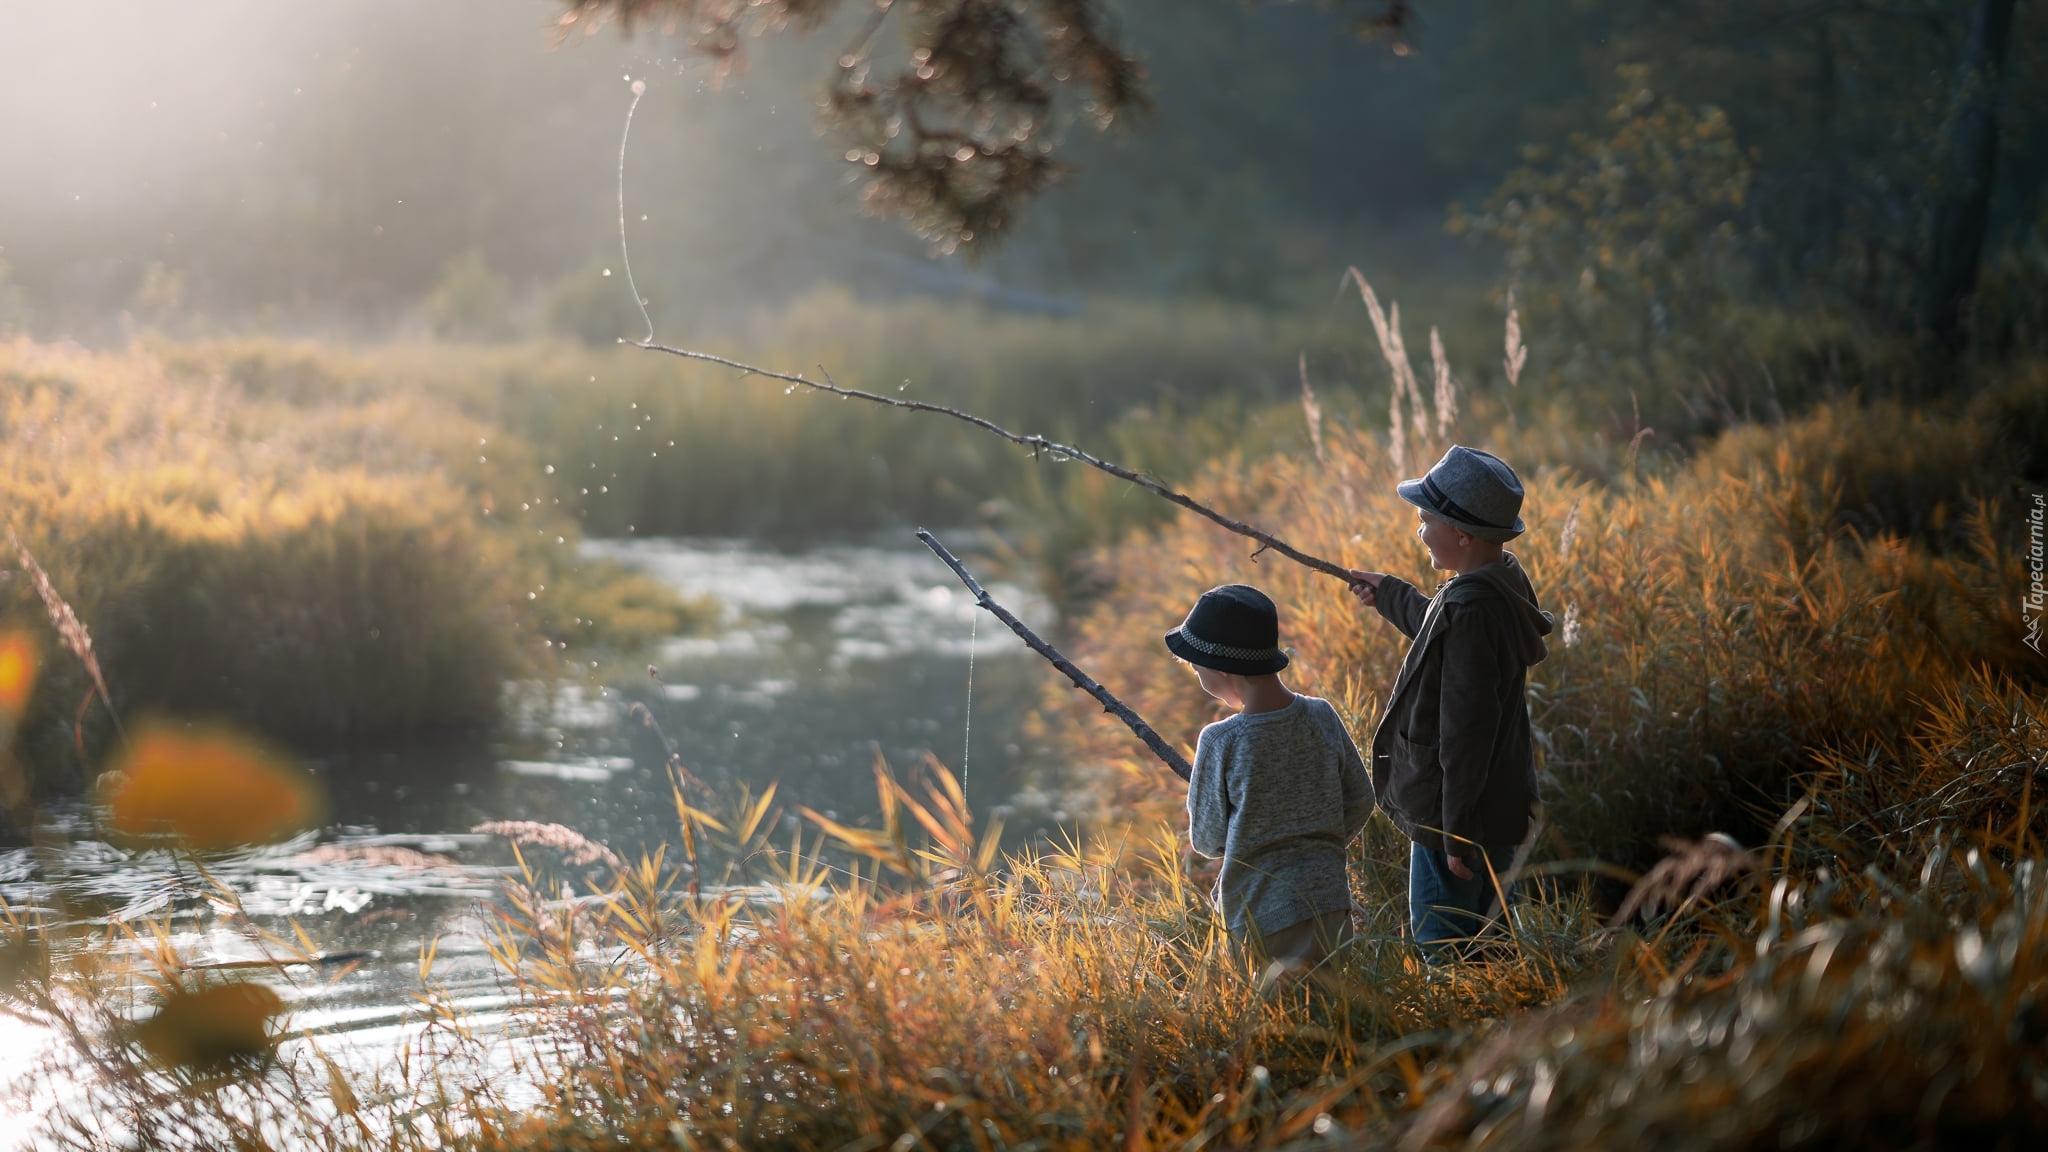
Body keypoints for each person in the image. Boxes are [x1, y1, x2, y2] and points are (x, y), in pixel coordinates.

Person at [1347, 445, 1553, 958]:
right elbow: (1445, 629)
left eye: (1425, 520)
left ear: (1461, 535)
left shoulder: (1469, 610)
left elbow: (1465, 733)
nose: (1419, 531)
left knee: (1445, 941)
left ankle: (1462, 1032)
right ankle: (1504, 1020)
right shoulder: (1499, 582)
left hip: (1456, 814)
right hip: (1498, 801)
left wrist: (1455, 833)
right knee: (1492, 935)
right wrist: (1392, 595)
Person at [1167, 583, 1375, 977]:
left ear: (1223, 670)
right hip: (1330, 902)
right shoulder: (1321, 716)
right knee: (1336, 1012)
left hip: (1260, 915)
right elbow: (1361, 799)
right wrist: (1320, 841)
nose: (1197, 678)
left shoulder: (1221, 740)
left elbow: (1208, 841)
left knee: (1276, 1022)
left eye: (1197, 669)